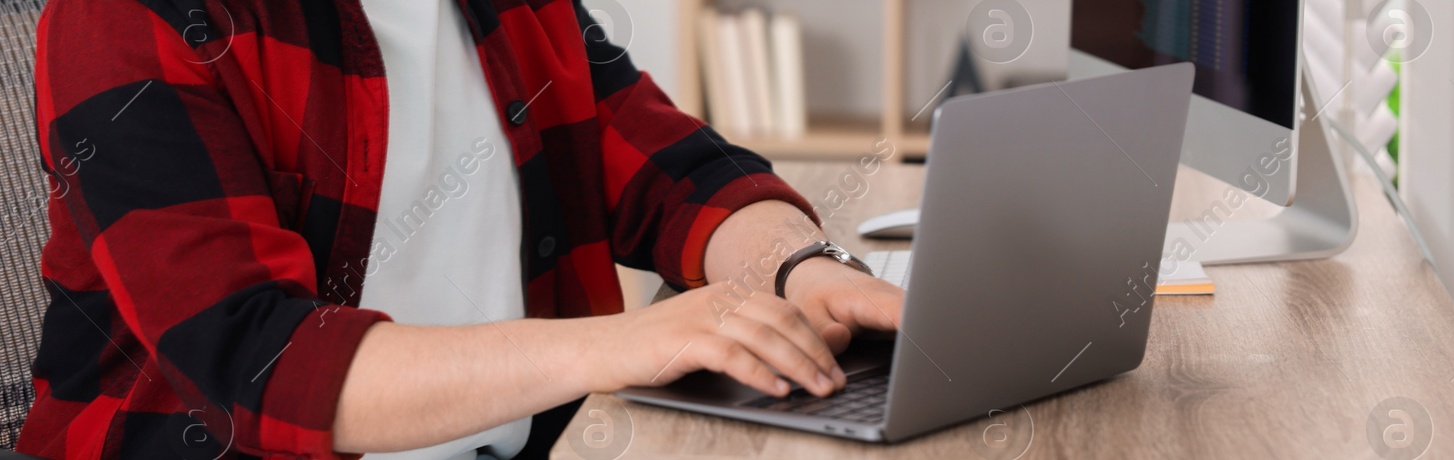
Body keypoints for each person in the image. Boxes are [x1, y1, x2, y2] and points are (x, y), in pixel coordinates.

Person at [17, 0, 904, 458]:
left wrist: (801, 267)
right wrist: (624, 345)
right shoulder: (126, 19)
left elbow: (678, 176)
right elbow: (260, 363)